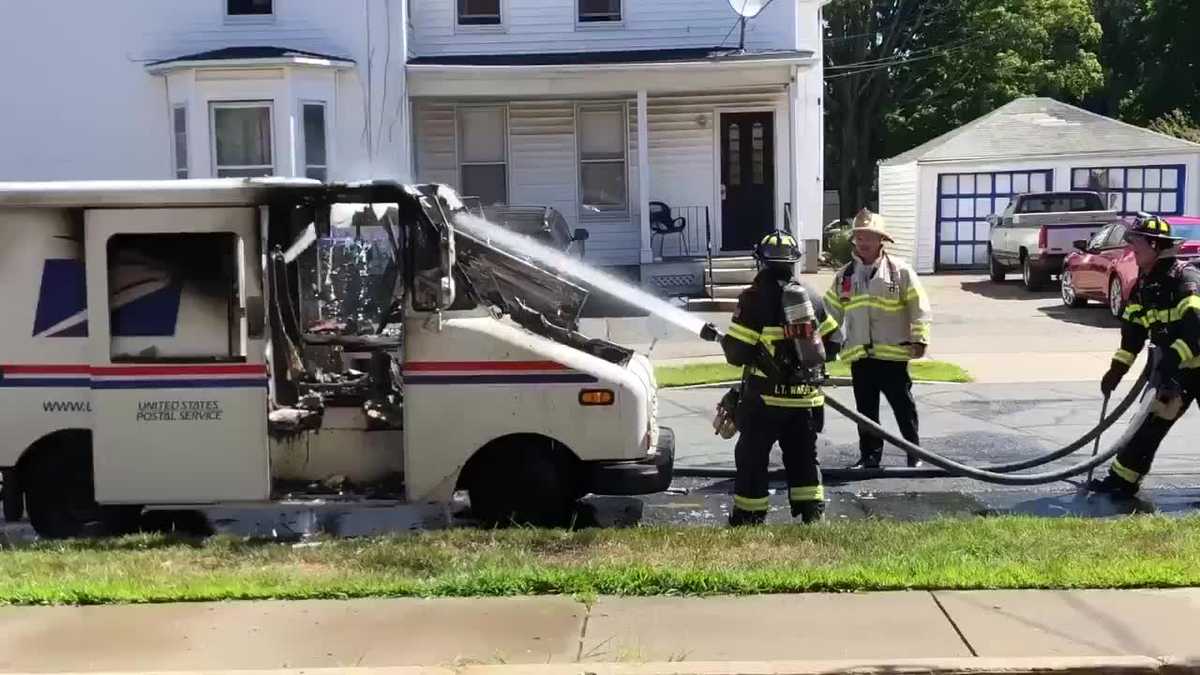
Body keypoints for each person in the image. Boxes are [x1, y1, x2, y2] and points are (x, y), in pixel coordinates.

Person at [700, 230, 841, 525]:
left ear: (761, 261)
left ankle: (749, 515)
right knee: (803, 456)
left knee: (752, 457)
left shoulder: (754, 298)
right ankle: (812, 513)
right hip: (806, 400)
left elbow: (738, 353)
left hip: (765, 400)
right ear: (793, 262)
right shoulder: (811, 296)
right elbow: (835, 343)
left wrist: (724, 341)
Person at [1089, 213, 1200, 496]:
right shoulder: (1143, 286)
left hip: (1187, 363)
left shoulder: (1185, 279)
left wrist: (1170, 364)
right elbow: (1133, 336)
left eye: (1136, 242)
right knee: (1146, 424)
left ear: (1155, 245)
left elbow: (1196, 331)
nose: (1131, 248)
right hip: (1175, 370)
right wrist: (1116, 370)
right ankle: (1122, 481)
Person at [824, 209, 932, 469]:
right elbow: (829, 313)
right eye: (859, 237)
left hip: (892, 356)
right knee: (866, 413)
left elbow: (919, 307)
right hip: (861, 357)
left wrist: (920, 339)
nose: (863, 242)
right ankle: (870, 457)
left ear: (881, 239)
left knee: (903, 408)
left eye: (869, 237)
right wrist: (819, 343)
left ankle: (914, 454)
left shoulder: (900, 272)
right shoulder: (844, 276)